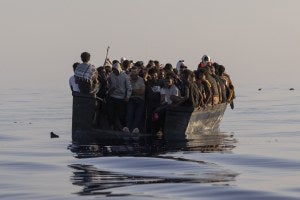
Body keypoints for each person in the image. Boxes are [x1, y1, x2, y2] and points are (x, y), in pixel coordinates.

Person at [107, 62, 132, 130]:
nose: (114, 71)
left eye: (115, 69)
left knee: (121, 114)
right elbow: (108, 84)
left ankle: (124, 128)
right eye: (113, 70)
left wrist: (127, 97)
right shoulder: (111, 75)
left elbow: (129, 88)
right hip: (112, 96)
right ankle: (111, 127)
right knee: (110, 112)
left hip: (121, 98)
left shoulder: (125, 76)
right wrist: (109, 89)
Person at [123, 65, 145, 133]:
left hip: (140, 99)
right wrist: (135, 91)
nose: (133, 76)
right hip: (131, 99)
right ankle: (127, 128)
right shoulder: (128, 79)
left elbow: (142, 91)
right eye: (132, 74)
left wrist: (132, 91)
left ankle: (135, 128)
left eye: (135, 74)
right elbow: (126, 90)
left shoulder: (141, 79)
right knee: (129, 113)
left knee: (138, 115)